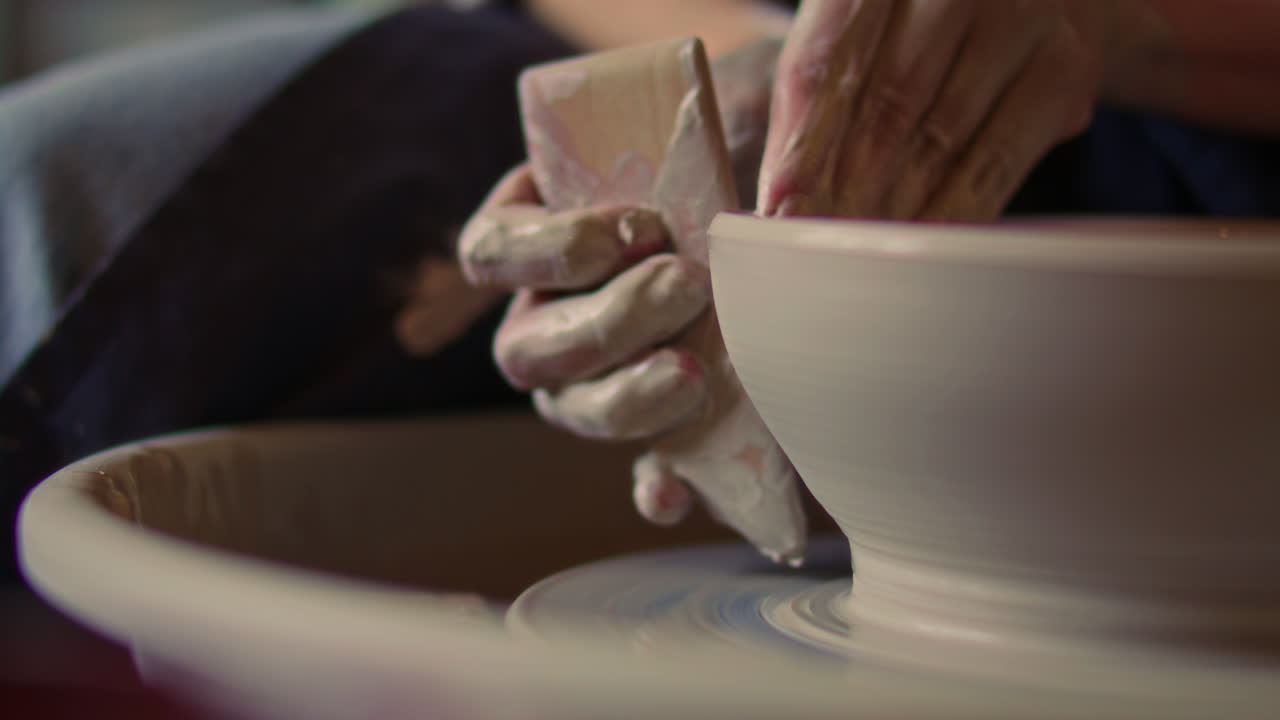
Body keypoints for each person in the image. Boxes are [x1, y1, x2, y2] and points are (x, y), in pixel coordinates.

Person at [1, 0, 1277, 581]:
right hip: (790, 62)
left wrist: (1117, 20)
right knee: (58, 189)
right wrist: (676, 140)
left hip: (1197, 139)